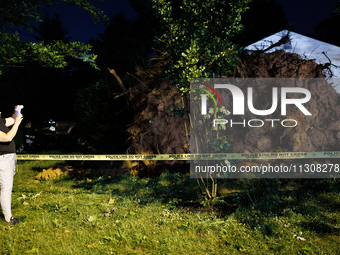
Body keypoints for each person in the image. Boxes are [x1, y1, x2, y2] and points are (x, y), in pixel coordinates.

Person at [0, 105, 24, 225]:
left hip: (6, 159)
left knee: (5, 188)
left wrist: (16, 111)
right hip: (3, 160)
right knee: (6, 189)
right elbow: (7, 137)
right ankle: (9, 218)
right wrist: (17, 124)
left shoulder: (1, 121)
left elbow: (13, 119)